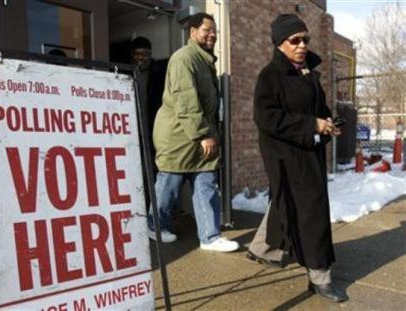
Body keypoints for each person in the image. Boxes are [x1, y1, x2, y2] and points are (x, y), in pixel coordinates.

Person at [249, 14, 348, 302]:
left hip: (308, 150)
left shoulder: (309, 73)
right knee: (312, 210)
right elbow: (265, 117)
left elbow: (321, 109)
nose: (302, 45)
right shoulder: (270, 75)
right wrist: (312, 125)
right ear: (280, 44)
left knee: (285, 201)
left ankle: (261, 249)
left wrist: (328, 123)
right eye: (295, 40)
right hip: (285, 154)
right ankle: (320, 277)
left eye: (306, 39)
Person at [148, 13, 239, 252]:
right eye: (206, 30)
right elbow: (185, 100)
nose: (212, 35)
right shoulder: (184, 58)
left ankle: (210, 236)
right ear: (192, 32)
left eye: (214, 31)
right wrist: (202, 134)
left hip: (200, 135)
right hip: (179, 136)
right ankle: (155, 226)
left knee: (206, 183)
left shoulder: (204, 60)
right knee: (170, 185)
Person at [131, 36, 167, 160]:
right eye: (137, 54)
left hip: (154, 124)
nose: (141, 57)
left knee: (154, 159)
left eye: (145, 54)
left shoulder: (160, 72)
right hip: (133, 125)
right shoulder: (126, 72)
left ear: (150, 54)